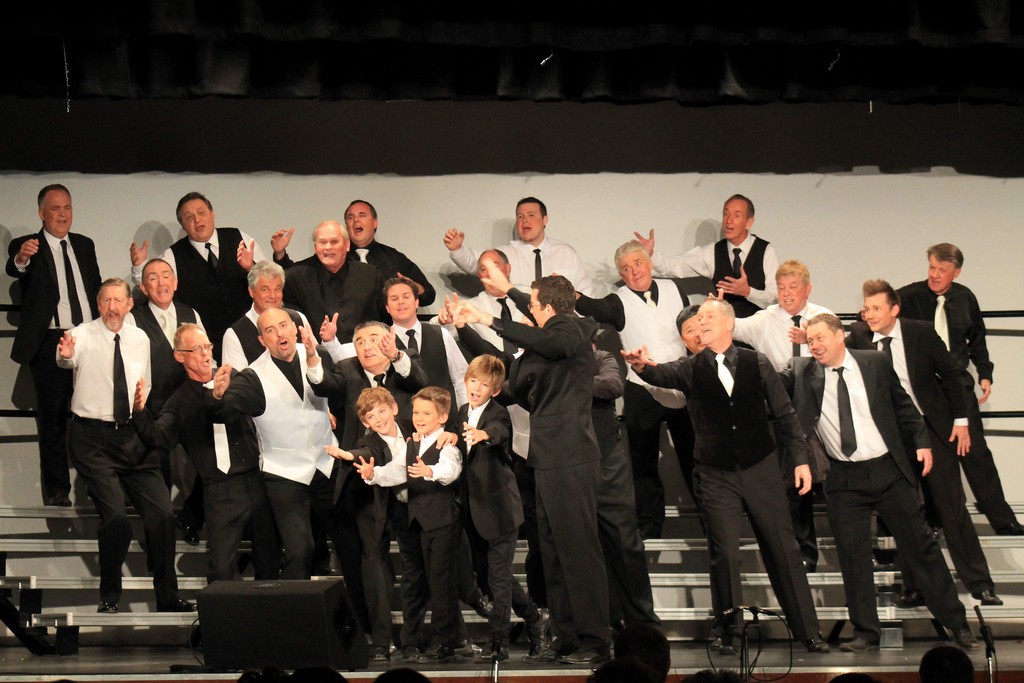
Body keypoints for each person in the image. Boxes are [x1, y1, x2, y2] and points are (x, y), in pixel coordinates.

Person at [622, 298, 826, 656]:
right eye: (698, 319)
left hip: (760, 468)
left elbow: (785, 415)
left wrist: (800, 460)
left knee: (783, 549)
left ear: (728, 324)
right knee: (725, 554)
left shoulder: (756, 362)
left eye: (708, 317)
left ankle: (808, 632)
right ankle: (729, 632)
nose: (701, 323)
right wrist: (641, 366)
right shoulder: (690, 367)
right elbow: (660, 373)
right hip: (715, 473)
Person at [783, 313, 977, 652]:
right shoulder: (803, 372)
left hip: (888, 470)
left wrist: (921, 442)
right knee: (852, 557)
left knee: (921, 548)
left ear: (840, 335)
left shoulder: (874, 362)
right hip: (843, 477)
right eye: (810, 340)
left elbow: (904, 406)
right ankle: (866, 632)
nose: (815, 345)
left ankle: (957, 623)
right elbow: (779, 397)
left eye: (820, 338)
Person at [455, 271, 610, 666]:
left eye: (534, 305)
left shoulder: (573, 329)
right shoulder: (542, 351)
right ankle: (566, 638)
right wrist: (465, 329)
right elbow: (507, 374)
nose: (529, 311)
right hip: (546, 458)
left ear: (548, 308)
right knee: (552, 554)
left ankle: (595, 641)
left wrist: (489, 315)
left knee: (578, 551)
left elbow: (552, 336)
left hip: (571, 457)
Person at [848, 279, 1002, 607]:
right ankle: (915, 587)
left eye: (875, 308)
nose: (868, 314)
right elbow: (833, 351)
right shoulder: (859, 335)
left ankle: (980, 583)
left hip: (931, 428)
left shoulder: (919, 332)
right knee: (907, 512)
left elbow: (953, 375)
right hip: (895, 436)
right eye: (866, 308)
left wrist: (961, 421)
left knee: (951, 506)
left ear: (894, 309)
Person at [56, 278, 192, 614]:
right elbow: (68, 358)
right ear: (98, 304)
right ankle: (109, 595)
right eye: (106, 301)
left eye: (119, 300)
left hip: (133, 435)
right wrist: (65, 356)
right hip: (93, 439)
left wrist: (141, 408)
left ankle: (167, 597)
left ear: (130, 304)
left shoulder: (139, 338)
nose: (112, 307)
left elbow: (144, 384)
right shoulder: (82, 335)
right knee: (115, 517)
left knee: (162, 515)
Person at [132, 324, 278, 582]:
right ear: (180, 356)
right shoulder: (179, 401)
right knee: (221, 568)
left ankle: (266, 607)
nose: (205, 354)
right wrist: (140, 412)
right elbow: (158, 437)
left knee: (269, 559)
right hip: (220, 490)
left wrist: (221, 394)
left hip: (256, 481)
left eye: (207, 347)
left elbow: (259, 405)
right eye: (196, 349)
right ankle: (226, 608)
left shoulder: (233, 378)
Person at [897, 243, 1024, 536]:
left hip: (957, 385)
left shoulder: (965, 298)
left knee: (976, 454)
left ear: (956, 272)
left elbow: (977, 339)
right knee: (932, 458)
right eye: (931, 267)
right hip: (926, 390)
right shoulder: (909, 296)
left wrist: (985, 374)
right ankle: (935, 520)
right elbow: (878, 316)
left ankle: (1003, 520)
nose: (935, 275)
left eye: (942, 270)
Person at [575, 242, 698, 539]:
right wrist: (569, 293)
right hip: (642, 387)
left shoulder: (674, 289)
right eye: (626, 269)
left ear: (649, 263)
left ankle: (711, 521)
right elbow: (590, 307)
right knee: (643, 463)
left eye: (638, 264)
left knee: (694, 457)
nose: (634, 272)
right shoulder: (619, 300)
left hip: (681, 382)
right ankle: (650, 527)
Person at [218, 307, 339, 580]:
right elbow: (225, 410)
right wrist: (217, 396)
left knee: (346, 540)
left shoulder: (317, 355)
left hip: (326, 463)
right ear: (262, 340)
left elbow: (339, 389)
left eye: (283, 326)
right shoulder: (252, 376)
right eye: (270, 331)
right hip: (284, 474)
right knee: (299, 550)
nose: (279, 334)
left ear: (294, 328)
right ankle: (294, 604)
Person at [731, 260, 833, 571]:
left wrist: (810, 340)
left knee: (835, 479)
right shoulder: (765, 318)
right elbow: (734, 327)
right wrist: (715, 312)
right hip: (782, 409)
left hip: (824, 407)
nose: (787, 294)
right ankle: (804, 553)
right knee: (793, 485)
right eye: (782, 288)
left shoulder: (823, 317)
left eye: (793, 287)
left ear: (807, 289)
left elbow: (843, 349)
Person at [352, 387, 464, 662]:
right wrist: (372, 474)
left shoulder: (443, 442)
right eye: (417, 413)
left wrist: (430, 470)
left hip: (441, 520)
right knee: (419, 579)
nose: (419, 418)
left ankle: (448, 639)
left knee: (442, 581)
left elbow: (452, 470)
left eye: (426, 413)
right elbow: (396, 470)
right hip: (414, 519)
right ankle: (417, 642)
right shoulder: (411, 442)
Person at [7, 184, 101, 506]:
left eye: (67, 207)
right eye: (55, 208)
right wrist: (22, 257)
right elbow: (15, 266)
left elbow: (95, 288)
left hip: (87, 339)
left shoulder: (85, 245)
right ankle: (58, 489)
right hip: (50, 341)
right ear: (41, 213)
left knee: (94, 418)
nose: (63, 214)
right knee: (53, 420)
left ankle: (97, 488)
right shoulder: (28, 245)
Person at [455, 355, 545, 660]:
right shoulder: (462, 411)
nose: (476, 388)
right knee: (495, 576)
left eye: (484, 384)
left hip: (501, 510)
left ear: (494, 390)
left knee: (498, 579)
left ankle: (498, 644)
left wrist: (483, 435)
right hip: (474, 510)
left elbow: (498, 431)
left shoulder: (499, 413)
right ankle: (534, 618)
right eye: (473, 381)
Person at [130, 191, 265, 362]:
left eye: (201, 213)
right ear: (183, 225)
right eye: (189, 217)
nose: (197, 220)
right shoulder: (173, 255)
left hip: (255, 338)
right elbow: (153, 287)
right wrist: (139, 266)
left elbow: (270, 280)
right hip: (209, 350)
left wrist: (251, 268)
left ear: (212, 214)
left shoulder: (239, 237)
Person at [125, 257, 204, 543]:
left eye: (166, 275)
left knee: (208, 467)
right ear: (144, 288)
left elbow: (204, 355)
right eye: (153, 278)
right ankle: (159, 540)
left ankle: (192, 520)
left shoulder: (190, 313)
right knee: (159, 476)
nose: (162, 283)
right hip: (155, 409)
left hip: (191, 407)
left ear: (176, 282)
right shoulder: (134, 318)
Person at [591, 343, 659, 627]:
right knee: (588, 550)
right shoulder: (545, 362)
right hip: (568, 464)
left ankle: (643, 624)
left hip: (608, 462)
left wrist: (566, 379)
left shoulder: (600, 358)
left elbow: (612, 385)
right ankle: (605, 622)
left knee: (624, 543)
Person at [634, 194, 779, 317]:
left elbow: (775, 298)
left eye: (737, 215)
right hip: (726, 333)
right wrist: (650, 254)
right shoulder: (712, 252)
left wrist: (748, 292)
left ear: (749, 222)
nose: (728, 221)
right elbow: (675, 266)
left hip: (759, 333)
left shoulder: (766, 251)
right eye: (726, 214)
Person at [444, 196, 597, 296]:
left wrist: (583, 329)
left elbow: (586, 292)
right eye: (520, 216)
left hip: (560, 329)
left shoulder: (565, 253)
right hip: (521, 328)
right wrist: (457, 249)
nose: (525, 221)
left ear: (545, 219)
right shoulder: (506, 253)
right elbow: (475, 264)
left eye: (531, 215)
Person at [276, 220, 385, 344]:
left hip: (367, 351)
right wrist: (280, 254)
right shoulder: (298, 277)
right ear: (315, 248)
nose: (328, 247)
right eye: (322, 242)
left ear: (347, 245)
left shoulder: (370, 275)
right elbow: (274, 284)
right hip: (319, 353)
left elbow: (386, 317)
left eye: (334, 242)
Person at [222, 260, 345, 369]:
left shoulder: (298, 318)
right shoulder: (234, 335)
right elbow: (237, 383)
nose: (272, 296)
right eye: (265, 289)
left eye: (277, 289)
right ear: (251, 291)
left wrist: (328, 342)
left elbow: (318, 362)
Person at [386, 276, 468, 420]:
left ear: (417, 302)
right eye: (394, 298)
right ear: (387, 307)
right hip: (401, 424)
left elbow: (461, 380)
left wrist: (465, 417)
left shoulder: (441, 334)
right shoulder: (383, 341)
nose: (401, 302)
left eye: (406, 297)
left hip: (445, 423)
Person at [343, 200, 436, 306]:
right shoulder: (338, 259)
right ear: (346, 226)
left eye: (362, 215)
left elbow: (428, 297)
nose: (356, 220)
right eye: (350, 217)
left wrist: (413, 287)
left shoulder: (394, 258)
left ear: (375, 223)